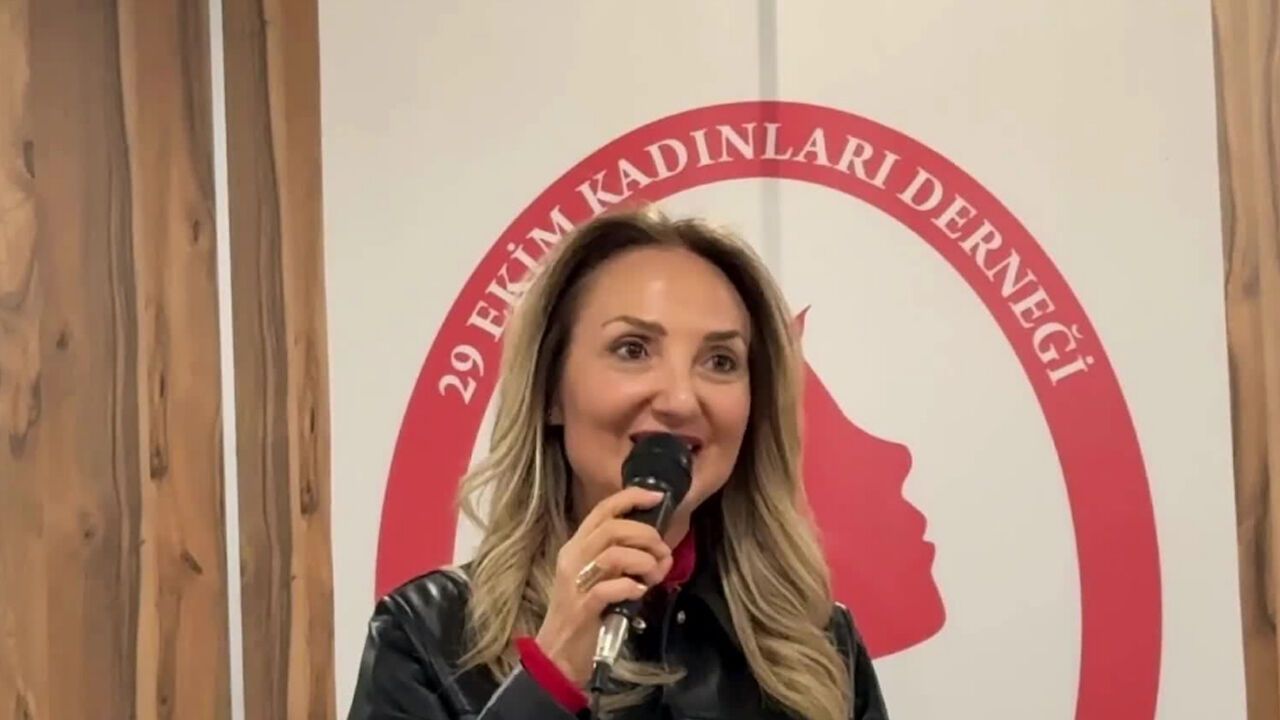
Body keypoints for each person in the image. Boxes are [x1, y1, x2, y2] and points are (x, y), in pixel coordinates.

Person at [347, 206, 890, 719]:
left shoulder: (818, 644)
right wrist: (550, 676)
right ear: (550, 390)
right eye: (633, 349)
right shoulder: (426, 634)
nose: (680, 399)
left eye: (720, 361)